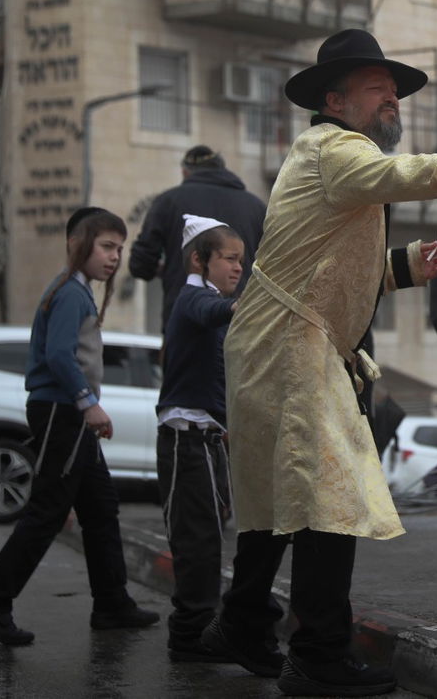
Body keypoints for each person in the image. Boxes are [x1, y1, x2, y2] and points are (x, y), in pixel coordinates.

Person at [201, 28, 437, 696]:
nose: (392, 99)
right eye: (377, 88)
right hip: (289, 345)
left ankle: (241, 625)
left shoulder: (332, 162)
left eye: (394, 91)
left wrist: (405, 267)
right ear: (335, 102)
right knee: (328, 501)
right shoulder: (335, 149)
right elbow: (404, 175)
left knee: (284, 497)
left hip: (281, 341)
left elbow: (327, 274)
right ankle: (316, 656)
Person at [0, 207, 160, 645]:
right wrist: (88, 404)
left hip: (67, 413)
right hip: (61, 412)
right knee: (47, 513)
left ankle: (112, 604)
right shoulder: (70, 292)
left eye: (119, 249)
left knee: (101, 507)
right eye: (106, 247)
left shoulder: (77, 290)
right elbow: (58, 355)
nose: (114, 257)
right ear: (77, 244)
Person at [155, 214, 244, 663]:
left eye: (241, 260)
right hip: (184, 440)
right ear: (198, 260)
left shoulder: (207, 299)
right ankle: (189, 636)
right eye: (228, 258)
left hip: (205, 438)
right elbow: (214, 311)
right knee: (196, 540)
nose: (237, 267)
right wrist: (244, 306)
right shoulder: (194, 297)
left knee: (209, 537)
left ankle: (199, 631)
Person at [129, 145, 266, 332]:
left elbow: (140, 265)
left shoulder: (168, 202)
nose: (237, 267)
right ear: (221, 168)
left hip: (183, 323)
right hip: (240, 323)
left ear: (185, 172)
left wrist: (172, 269)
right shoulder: (256, 207)